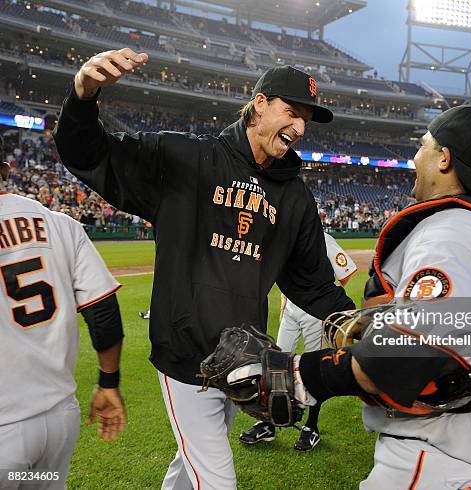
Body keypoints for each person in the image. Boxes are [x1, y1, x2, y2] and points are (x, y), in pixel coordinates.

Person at [52, 47, 354, 489]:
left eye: (307, 119)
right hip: (186, 355)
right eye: (291, 111)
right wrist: (83, 94)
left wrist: (357, 322)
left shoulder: (294, 198)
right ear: (260, 103)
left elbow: (313, 284)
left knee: (188, 467)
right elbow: (88, 153)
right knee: (216, 480)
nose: (300, 127)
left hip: (244, 359)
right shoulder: (184, 159)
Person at [207, 106, 471, 488]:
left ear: (444, 158)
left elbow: (415, 350)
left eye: (423, 145)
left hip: (442, 455)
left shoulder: (451, 234)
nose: (415, 156)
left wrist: (305, 376)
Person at [0, 159, 126, 489]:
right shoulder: (60, 223)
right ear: (5, 169)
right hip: (58, 423)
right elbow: (103, 311)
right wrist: (109, 383)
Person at [240, 232, 357, 450]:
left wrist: (321, 296)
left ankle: (311, 427)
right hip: (291, 310)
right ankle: (268, 424)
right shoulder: (283, 238)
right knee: (275, 365)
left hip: (316, 312)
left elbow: (346, 273)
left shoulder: (322, 238)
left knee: (315, 370)